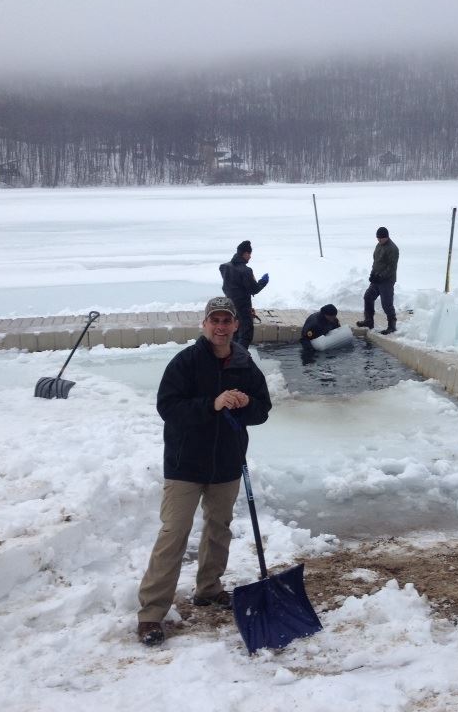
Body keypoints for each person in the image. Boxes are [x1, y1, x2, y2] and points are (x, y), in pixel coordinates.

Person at [137, 296, 272, 647]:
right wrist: (210, 404)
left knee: (218, 528)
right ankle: (151, 613)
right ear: (204, 324)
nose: (221, 326)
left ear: (236, 325)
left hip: (226, 463)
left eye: (227, 321)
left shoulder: (245, 364)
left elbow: (263, 409)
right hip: (185, 464)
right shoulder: (186, 362)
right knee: (174, 532)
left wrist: (247, 405)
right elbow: (168, 407)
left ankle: (208, 590)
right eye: (215, 320)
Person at [219, 240, 269, 348]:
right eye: (249, 254)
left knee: (234, 331)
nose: (250, 256)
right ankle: (239, 358)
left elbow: (228, 285)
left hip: (230, 305)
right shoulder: (246, 271)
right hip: (243, 307)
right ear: (245, 253)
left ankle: (230, 355)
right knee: (246, 334)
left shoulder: (224, 267)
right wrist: (263, 281)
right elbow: (254, 289)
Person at [356, 226, 400, 334]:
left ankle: (392, 326)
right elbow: (376, 261)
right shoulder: (379, 245)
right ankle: (369, 320)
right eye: (377, 238)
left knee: (386, 303)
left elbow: (391, 268)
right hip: (376, 279)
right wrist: (372, 274)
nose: (379, 240)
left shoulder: (393, 249)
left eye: (381, 238)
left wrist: (380, 276)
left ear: (386, 237)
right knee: (368, 296)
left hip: (387, 280)